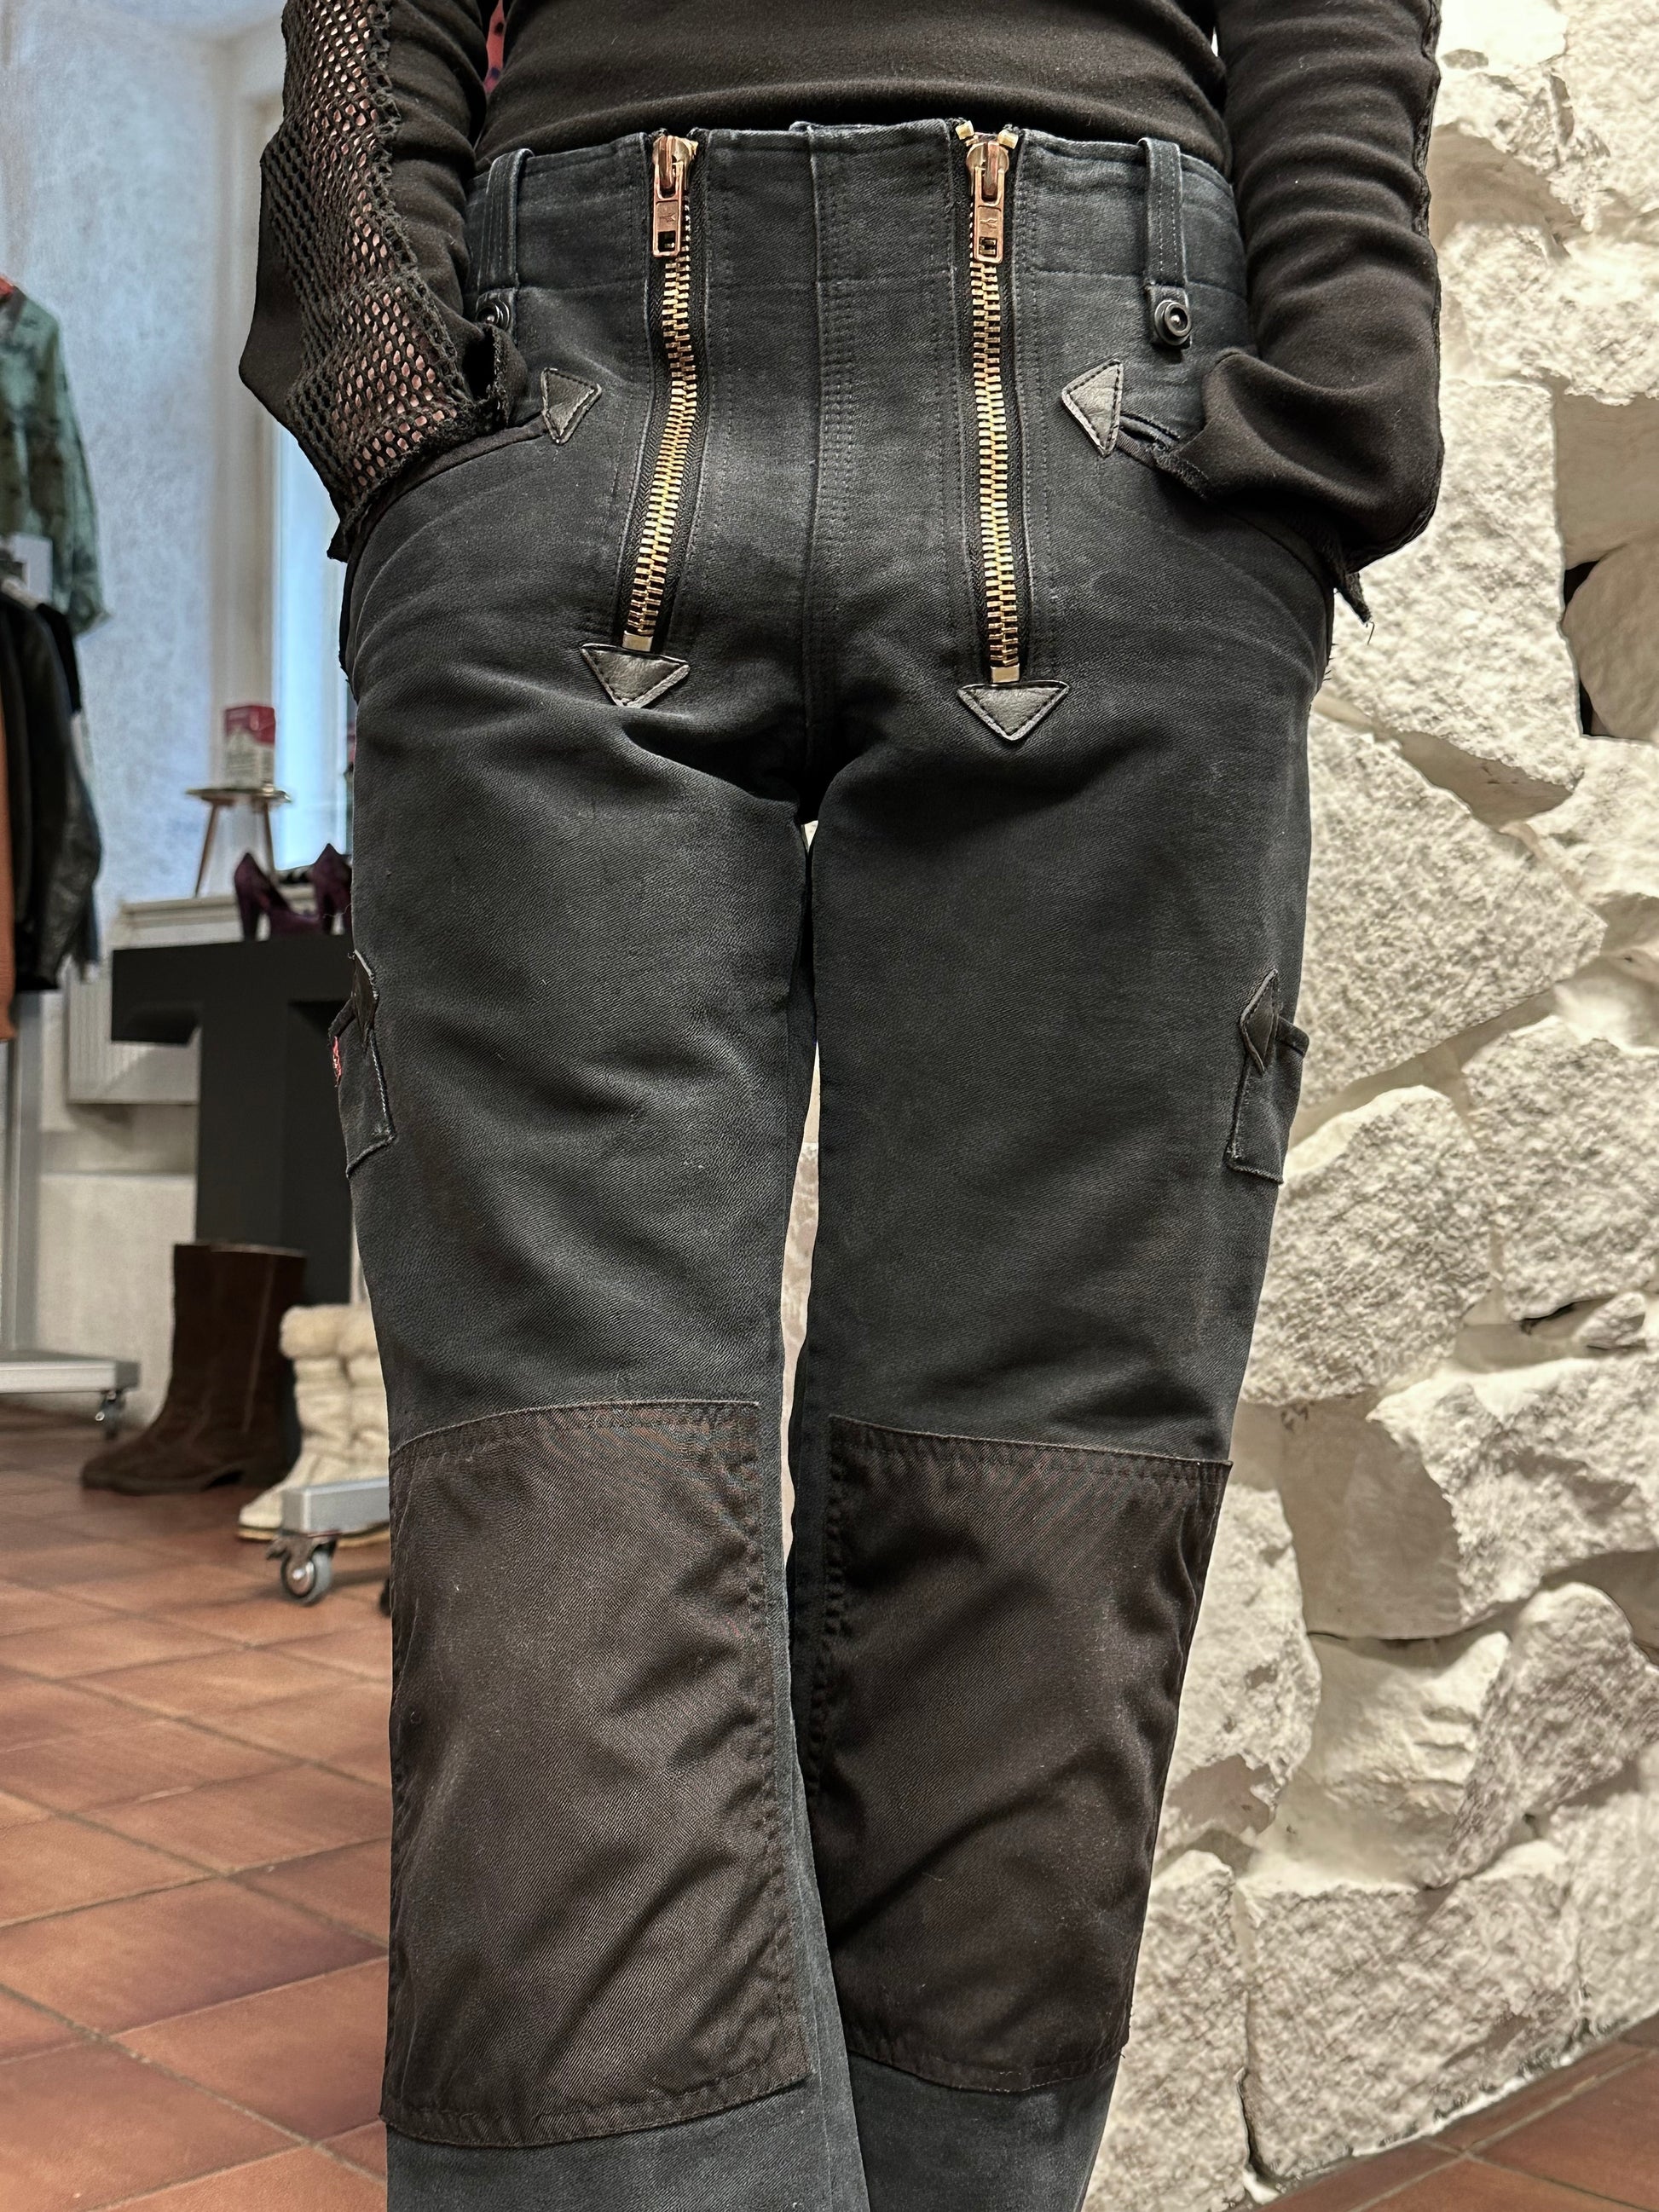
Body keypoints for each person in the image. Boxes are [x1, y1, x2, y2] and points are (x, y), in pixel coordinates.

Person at [242, 6, 1441, 2207]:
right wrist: (396, 389)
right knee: (563, 1490)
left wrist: (1350, 366)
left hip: (1114, 379)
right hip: (563, 376)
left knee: (1039, 1503)